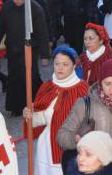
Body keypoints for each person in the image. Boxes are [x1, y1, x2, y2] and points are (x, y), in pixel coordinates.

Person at [23, 47, 89, 175]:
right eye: (57, 64)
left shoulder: (83, 89)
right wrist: (30, 115)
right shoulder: (47, 87)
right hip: (46, 148)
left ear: (74, 65)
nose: (60, 68)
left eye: (65, 64)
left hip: (71, 149)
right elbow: (41, 118)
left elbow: (90, 121)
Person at [0, 0, 49, 116]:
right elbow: (0, 28)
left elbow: (42, 33)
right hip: (12, 48)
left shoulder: (35, 9)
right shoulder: (7, 7)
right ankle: (16, 107)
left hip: (30, 49)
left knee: (30, 76)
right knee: (14, 77)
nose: (16, 1)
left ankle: (34, 104)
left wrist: (45, 55)